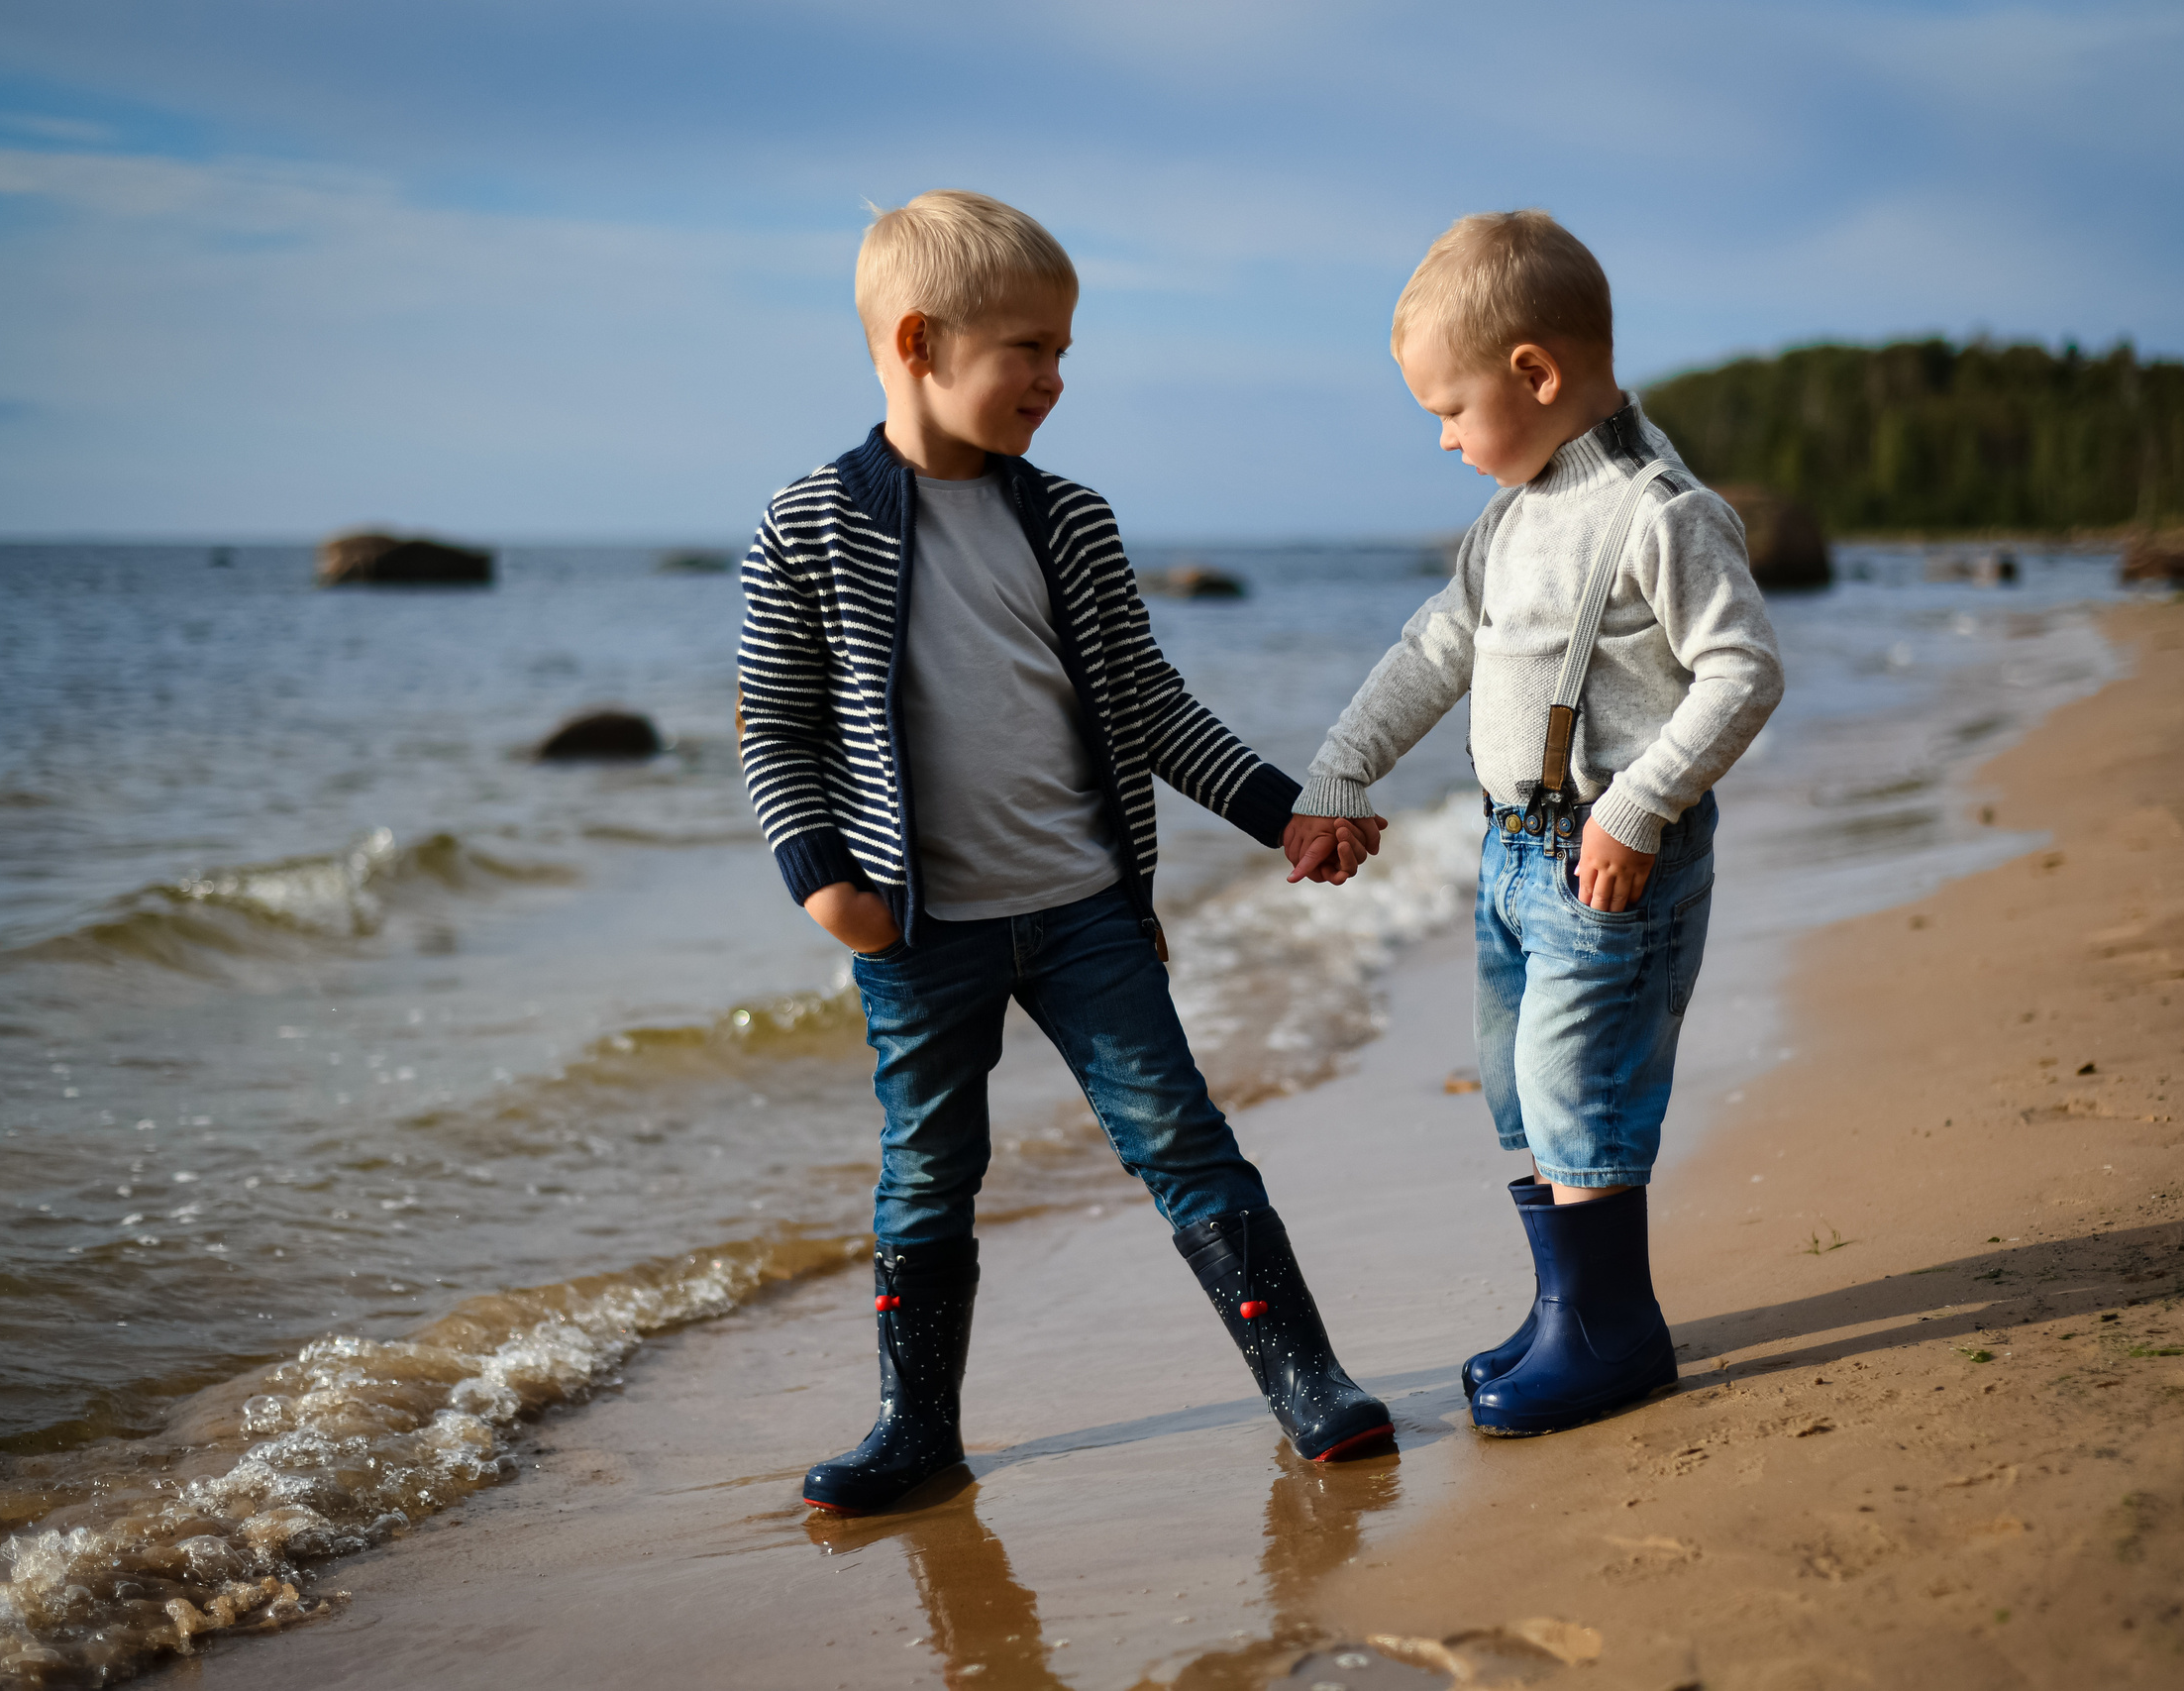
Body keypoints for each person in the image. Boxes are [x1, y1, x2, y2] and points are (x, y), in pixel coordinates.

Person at [736, 190, 1392, 1515]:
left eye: (1063, 351)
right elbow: (775, 721)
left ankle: (1306, 1379)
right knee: (929, 1166)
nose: (1053, 377)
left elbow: (1150, 704)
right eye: (1027, 348)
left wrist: (1282, 809)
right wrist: (820, 879)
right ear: (919, 342)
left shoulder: (1072, 520)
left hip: (1088, 908)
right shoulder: (807, 524)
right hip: (918, 929)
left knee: (1181, 1136)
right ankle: (915, 1425)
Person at [1283, 210, 1784, 1436]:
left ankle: (1612, 1334)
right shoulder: (1514, 514)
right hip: (1515, 856)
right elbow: (1436, 646)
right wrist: (1340, 771)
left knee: (1578, 1081)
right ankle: (1571, 1309)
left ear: (1534, 374)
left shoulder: (1657, 510)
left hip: (1612, 862)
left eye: (1450, 410)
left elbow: (1742, 671)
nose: (1445, 439)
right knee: (1522, 1078)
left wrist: (1637, 806)